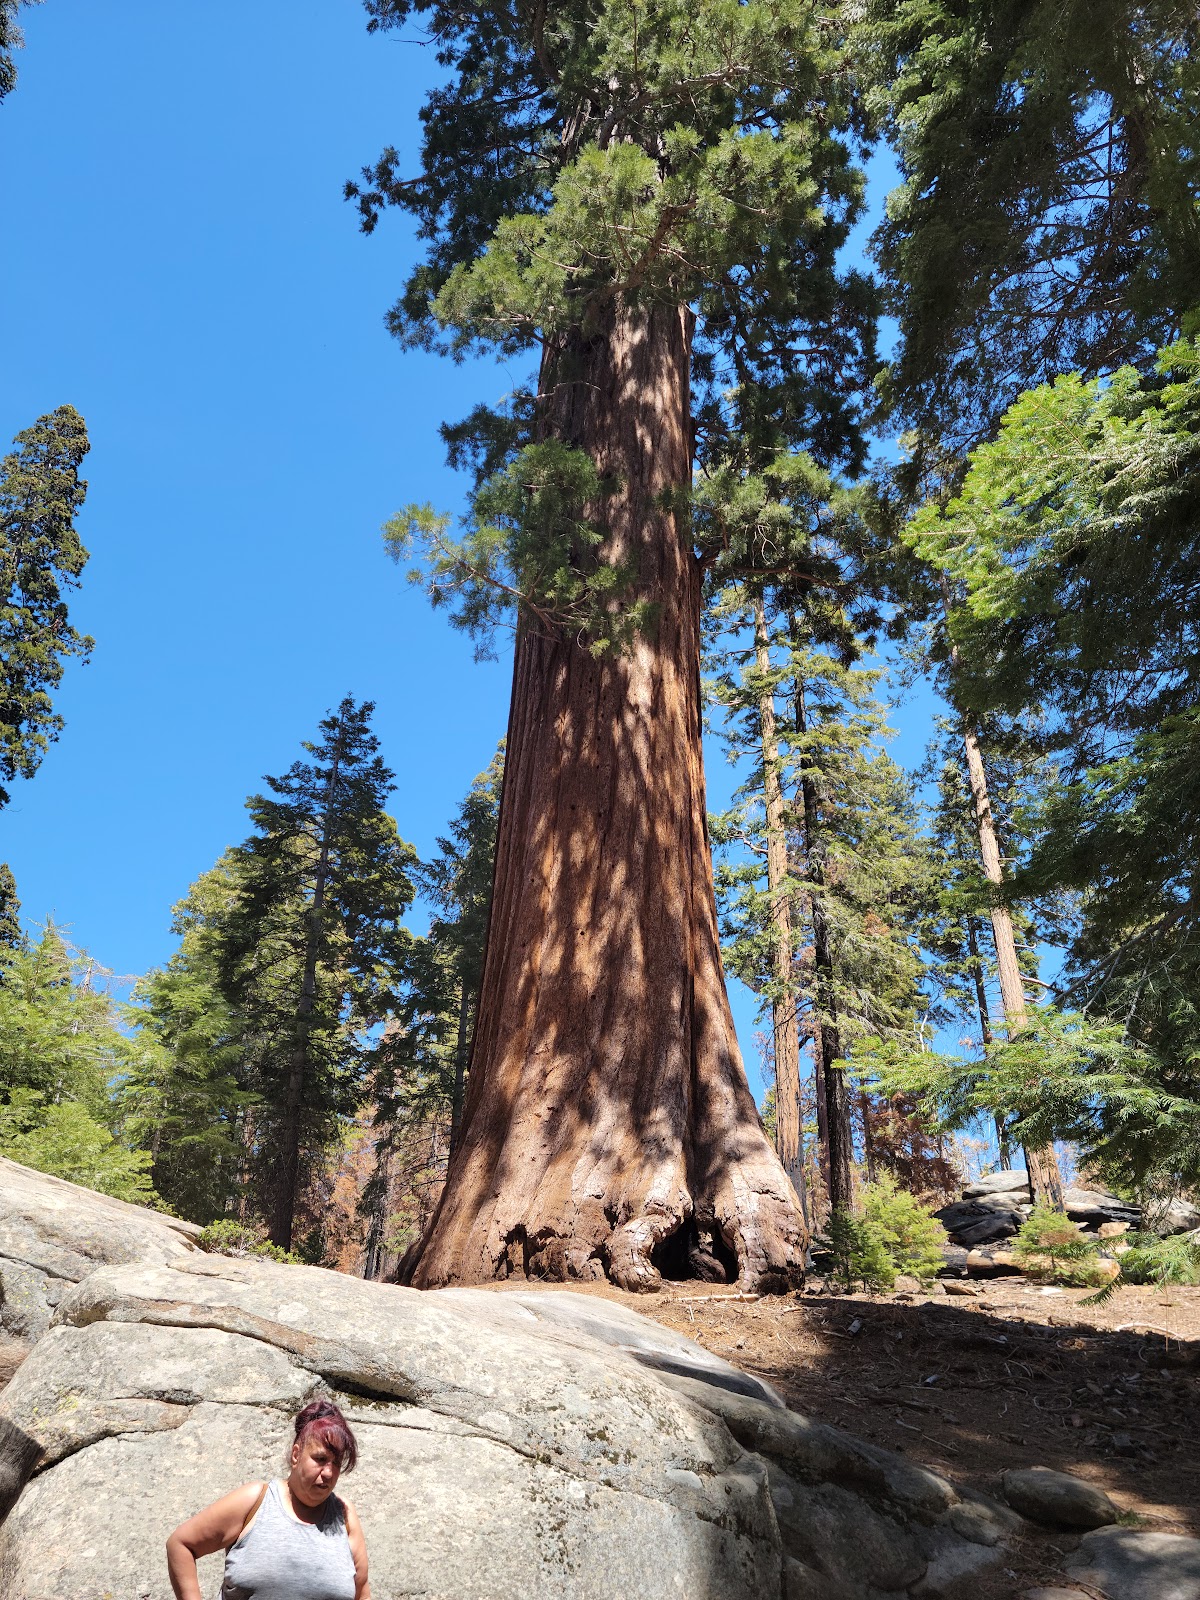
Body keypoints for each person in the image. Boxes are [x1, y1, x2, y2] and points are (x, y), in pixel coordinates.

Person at [166, 1398, 371, 1600]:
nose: (328, 1472)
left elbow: (361, 1593)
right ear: (296, 1455)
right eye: (320, 1459)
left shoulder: (344, 1516)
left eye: (336, 1463)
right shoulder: (256, 1501)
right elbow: (181, 1544)